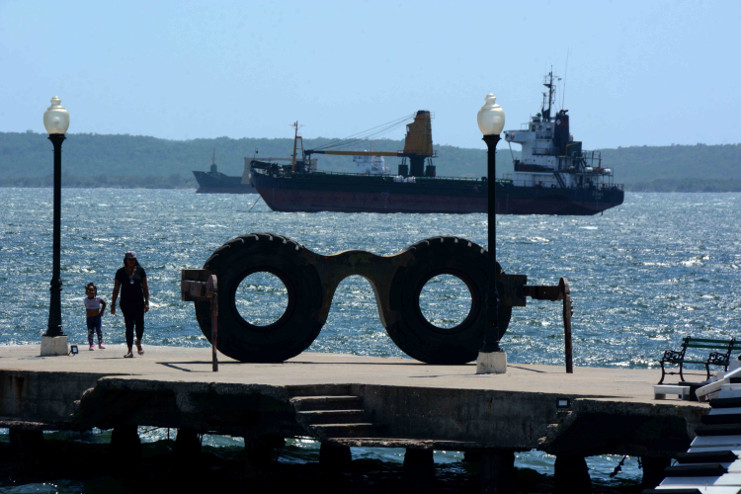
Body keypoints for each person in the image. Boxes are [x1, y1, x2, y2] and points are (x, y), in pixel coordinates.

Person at [111, 251, 150, 358]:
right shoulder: (120, 272)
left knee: (140, 324)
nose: (132, 261)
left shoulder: (141, 271)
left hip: (138, 301)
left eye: (133, 259)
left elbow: (145, 287)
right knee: (129, 325)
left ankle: (138, 341)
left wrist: (147, 302)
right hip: (125, 302)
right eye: (130, 259)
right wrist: (113, 304)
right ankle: (129, 350)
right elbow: (116, 289)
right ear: (126, 260)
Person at [83, 282, 106, 351]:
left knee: (99, 331)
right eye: (89, 290)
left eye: (93, 290)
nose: (91, 292)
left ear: (95, 291)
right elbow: (86, 307)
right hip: (89, 318)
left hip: (97, 318)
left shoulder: (98, 299)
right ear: (86, 292)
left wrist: (101, 312)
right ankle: (91, 344)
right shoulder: (85, 300)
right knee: (90, 332)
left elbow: (104, 304)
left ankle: (100, 343)